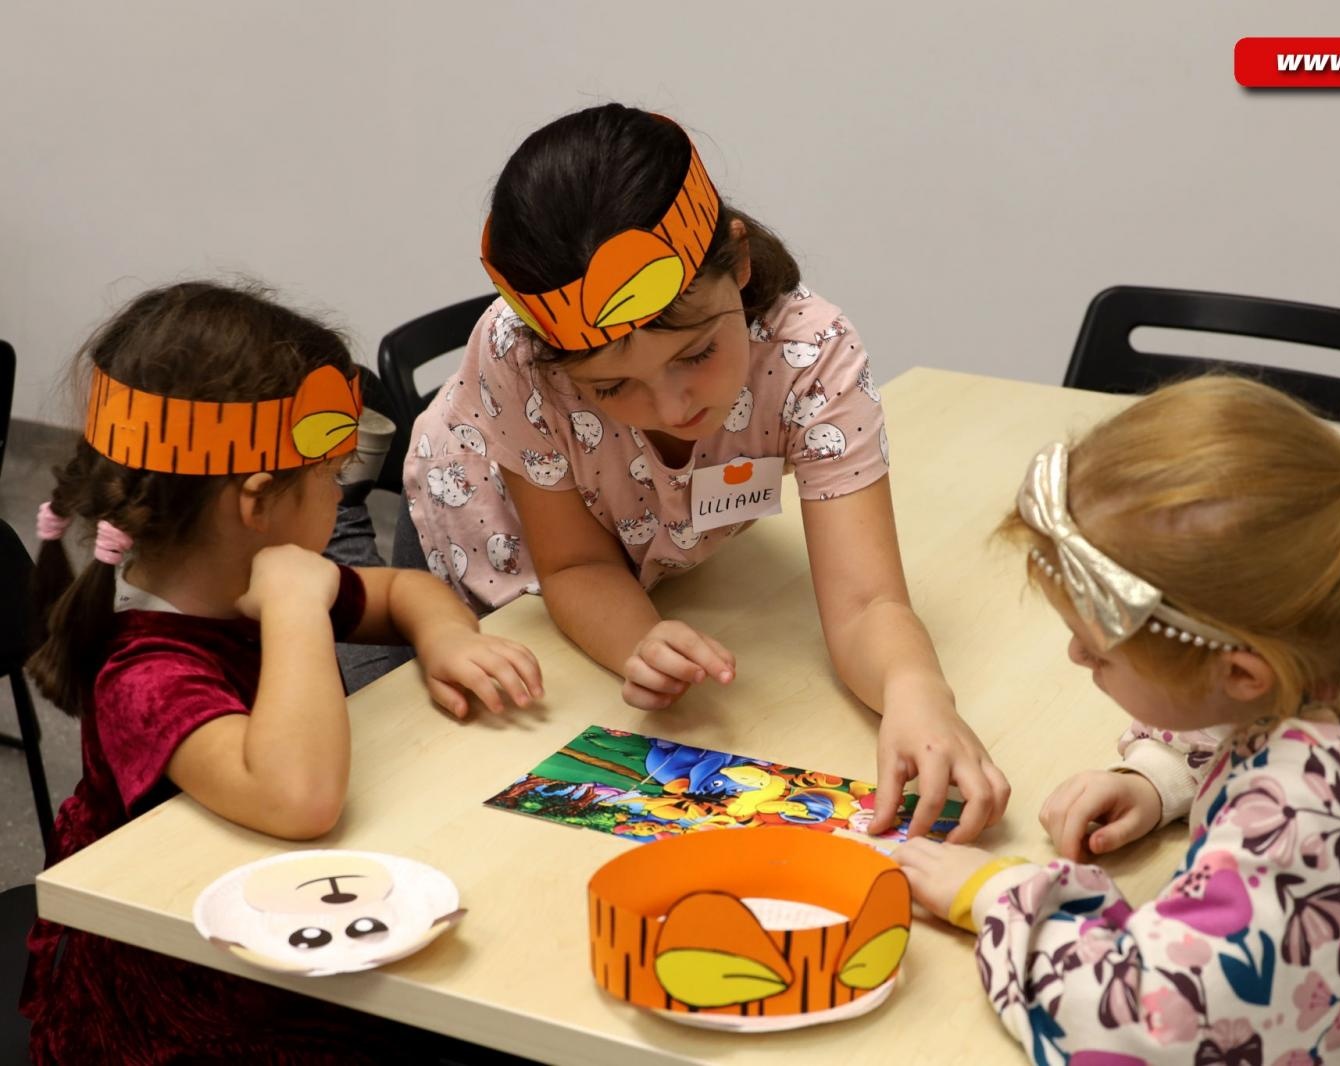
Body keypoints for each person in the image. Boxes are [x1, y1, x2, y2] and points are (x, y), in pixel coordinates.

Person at [896, 376, 1340, 1063]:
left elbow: (1139, 1028)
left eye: (1099, 649)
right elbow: (1249, 726)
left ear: (1239, 672)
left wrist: (997, 895)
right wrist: (1161, 777)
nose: (1077, 654)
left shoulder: (1300, 826)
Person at [402, 103, 1007, 840]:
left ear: (740, 263)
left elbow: (866, 602)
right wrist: (637, 640)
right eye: (611, 388)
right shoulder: (518, 354)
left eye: (694, 356)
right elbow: (572, 566)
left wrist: (919, 695)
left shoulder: (810, 355)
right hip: (496, 566)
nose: (671, 405)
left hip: (651, 548)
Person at [22, 281, 543, 1063]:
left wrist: (443, 638)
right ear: (258, 501)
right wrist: (301, 607)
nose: (340, 498)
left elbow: (406, 590)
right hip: (185, 1003)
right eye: (332, 479)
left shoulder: (251, 578)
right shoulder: (144, 674)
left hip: (287, 924)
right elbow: (299, 797)